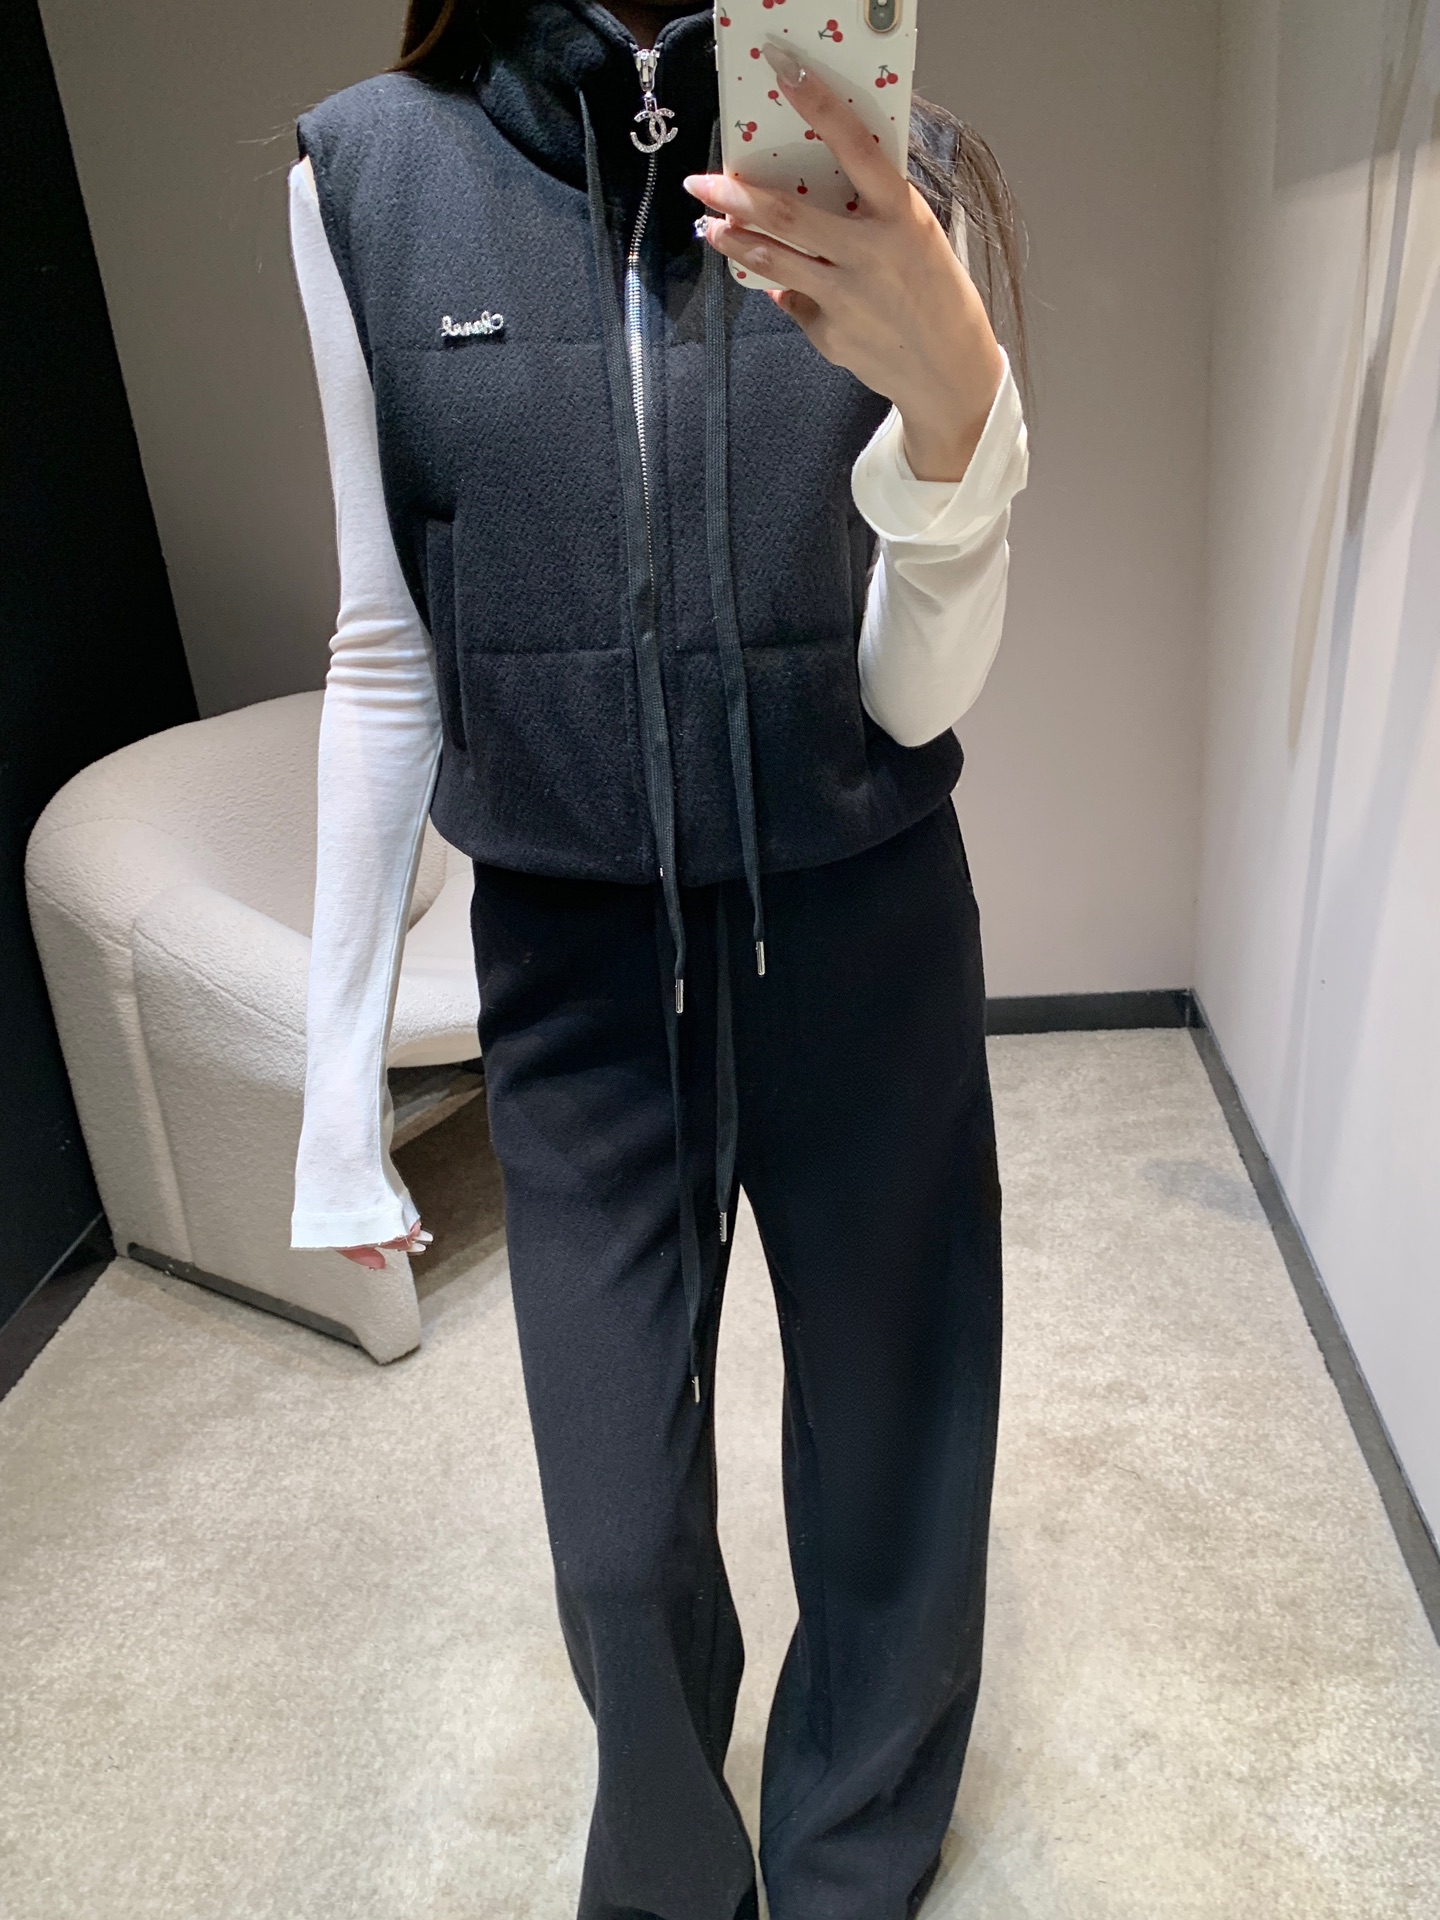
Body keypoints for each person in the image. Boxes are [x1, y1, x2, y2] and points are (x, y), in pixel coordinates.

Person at [287, 3, 1030, 1915]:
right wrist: (332, 1087)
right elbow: (383, 642)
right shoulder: (368, 173)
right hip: (577, 966)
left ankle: (851, 1871)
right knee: (615, 1546)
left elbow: (913, 695)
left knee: (896, 1460)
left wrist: (966, 437)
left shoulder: (888, 157)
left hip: (861, 926)